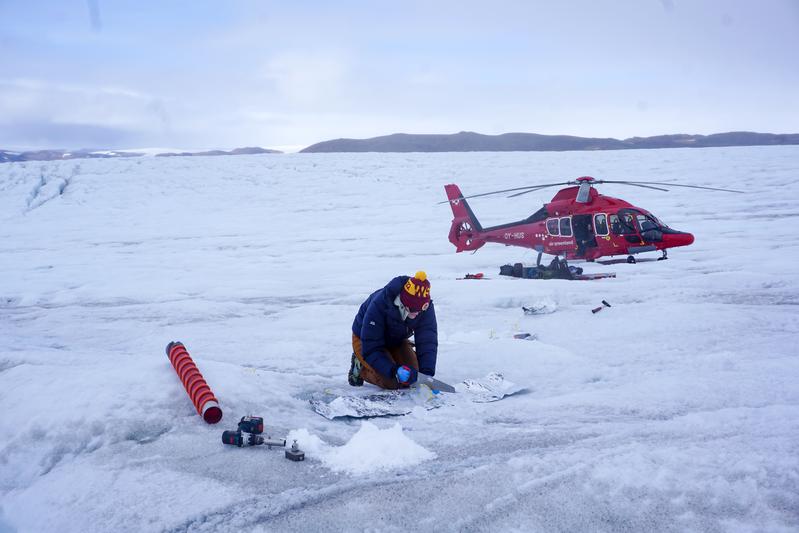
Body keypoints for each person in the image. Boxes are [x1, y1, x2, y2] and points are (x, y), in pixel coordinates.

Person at [348, 271, 438, 389]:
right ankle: (360, 368)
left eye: (420, 310)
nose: (417, 313)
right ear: (403, 304)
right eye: (413, 310)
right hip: (365, 340)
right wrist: (394, 370)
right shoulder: (380, 304)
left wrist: (426, 376)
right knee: (391, 382)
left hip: (396, 339)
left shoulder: (424, 307)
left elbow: (427, 340)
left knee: (412, 378)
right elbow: (371, 347)